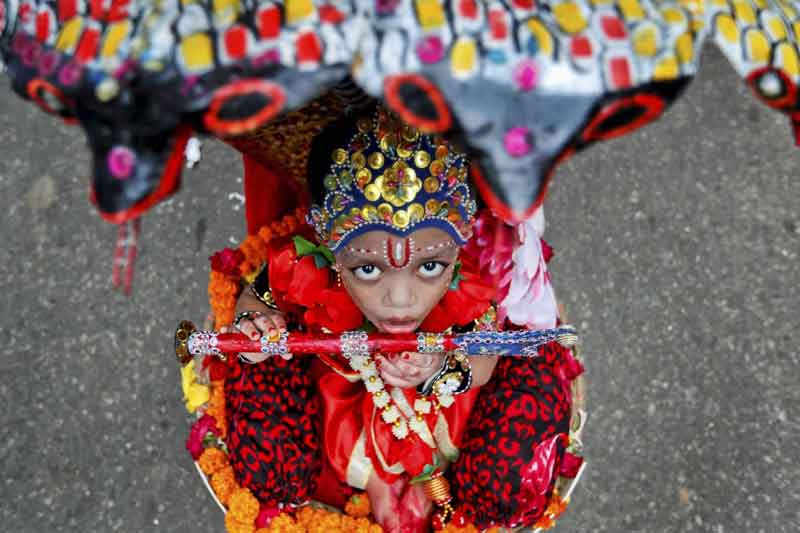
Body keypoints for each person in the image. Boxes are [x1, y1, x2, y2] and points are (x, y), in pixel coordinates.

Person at [221, 106, 580, 532]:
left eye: (430, 267)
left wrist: (442, 371)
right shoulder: (306, 267)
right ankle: (377, 481)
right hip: (340, 409)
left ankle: (423, 486)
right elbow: (256, 297)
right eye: (368, 269)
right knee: (273, 467)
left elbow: (484, 360)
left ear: (458, 244)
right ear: (328, 243)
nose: (401, 300)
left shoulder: (471, 277)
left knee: (506, 483)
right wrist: (255, 329)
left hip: (447, 416)